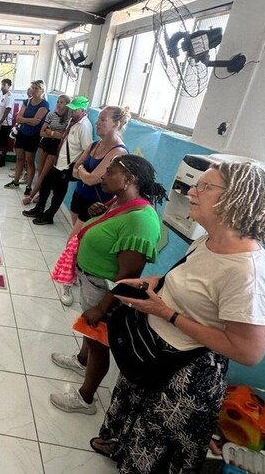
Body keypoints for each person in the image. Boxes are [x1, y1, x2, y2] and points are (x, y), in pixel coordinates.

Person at [92, 161, 265, 473]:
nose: (192, 190)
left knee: (154, 443)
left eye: (205, 187)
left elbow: (249, 351)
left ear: (235, 198)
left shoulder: (249, 271)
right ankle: (117, 446)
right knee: (133, 415)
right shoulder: (208, 239)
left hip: (185, 373)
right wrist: (151, 283)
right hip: (153, 353)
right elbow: (185, 281)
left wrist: (168, 314)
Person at [49, 155, 165, 415]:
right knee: (90, 336)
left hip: (105, 292)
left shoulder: (140, 220)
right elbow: (108, 232)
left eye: (109, 172)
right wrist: (95, 215)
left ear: (128, 179)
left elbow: (129, 279)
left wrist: (102, 308)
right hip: (92, 282)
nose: (103, 175)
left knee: (99, 343)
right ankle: (81, 360)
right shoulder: (121, 203)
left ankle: (85, 398)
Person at [23, 95, 93, 225]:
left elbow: (87, 149)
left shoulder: (84, 127)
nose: (72, 112)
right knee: (45, 185)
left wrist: (75, 165)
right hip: (59, 163)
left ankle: (49, 216)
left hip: (67, 166)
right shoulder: (73, 122)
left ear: (83, 110)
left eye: (75, 110)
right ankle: (39, 209)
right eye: (71, 109)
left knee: (58, 193)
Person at [70, 106, 130, 223]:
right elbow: (74, 171)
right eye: (98, 119)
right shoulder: (94, 145)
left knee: (79, 238)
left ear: (116, 124)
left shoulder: (119, 151)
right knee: (75, 239)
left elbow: (91, 180)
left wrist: (81, 170)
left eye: (103, 120)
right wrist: (84, 173)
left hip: (95, 204)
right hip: (79, 196)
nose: (97, 123)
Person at [4, 80, 49, 195]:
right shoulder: (27, 102)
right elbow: (18, 119)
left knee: (29, 161)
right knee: (19, 159)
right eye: (32, 88)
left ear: (42, 90)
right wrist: (30, 120)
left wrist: (26, 120)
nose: (33, 90)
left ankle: (29, 186)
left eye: (36, 88)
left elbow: (36, 123)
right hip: (22, 134)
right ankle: (15, 181)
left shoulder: (44, 104)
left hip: (33, 136)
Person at [23, 93, 71, 202]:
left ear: (67, 105)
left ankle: (31, 196)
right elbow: (42, 132)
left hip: (55, 147)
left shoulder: (69, 118)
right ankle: (39, 193)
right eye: (58, 102)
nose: (58, 104)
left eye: (61, 102)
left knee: (45, 173)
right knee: (41, 172)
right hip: (45, 143)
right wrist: (54, 133)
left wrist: (50, 131)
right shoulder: (51, 114)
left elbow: (63, 136)